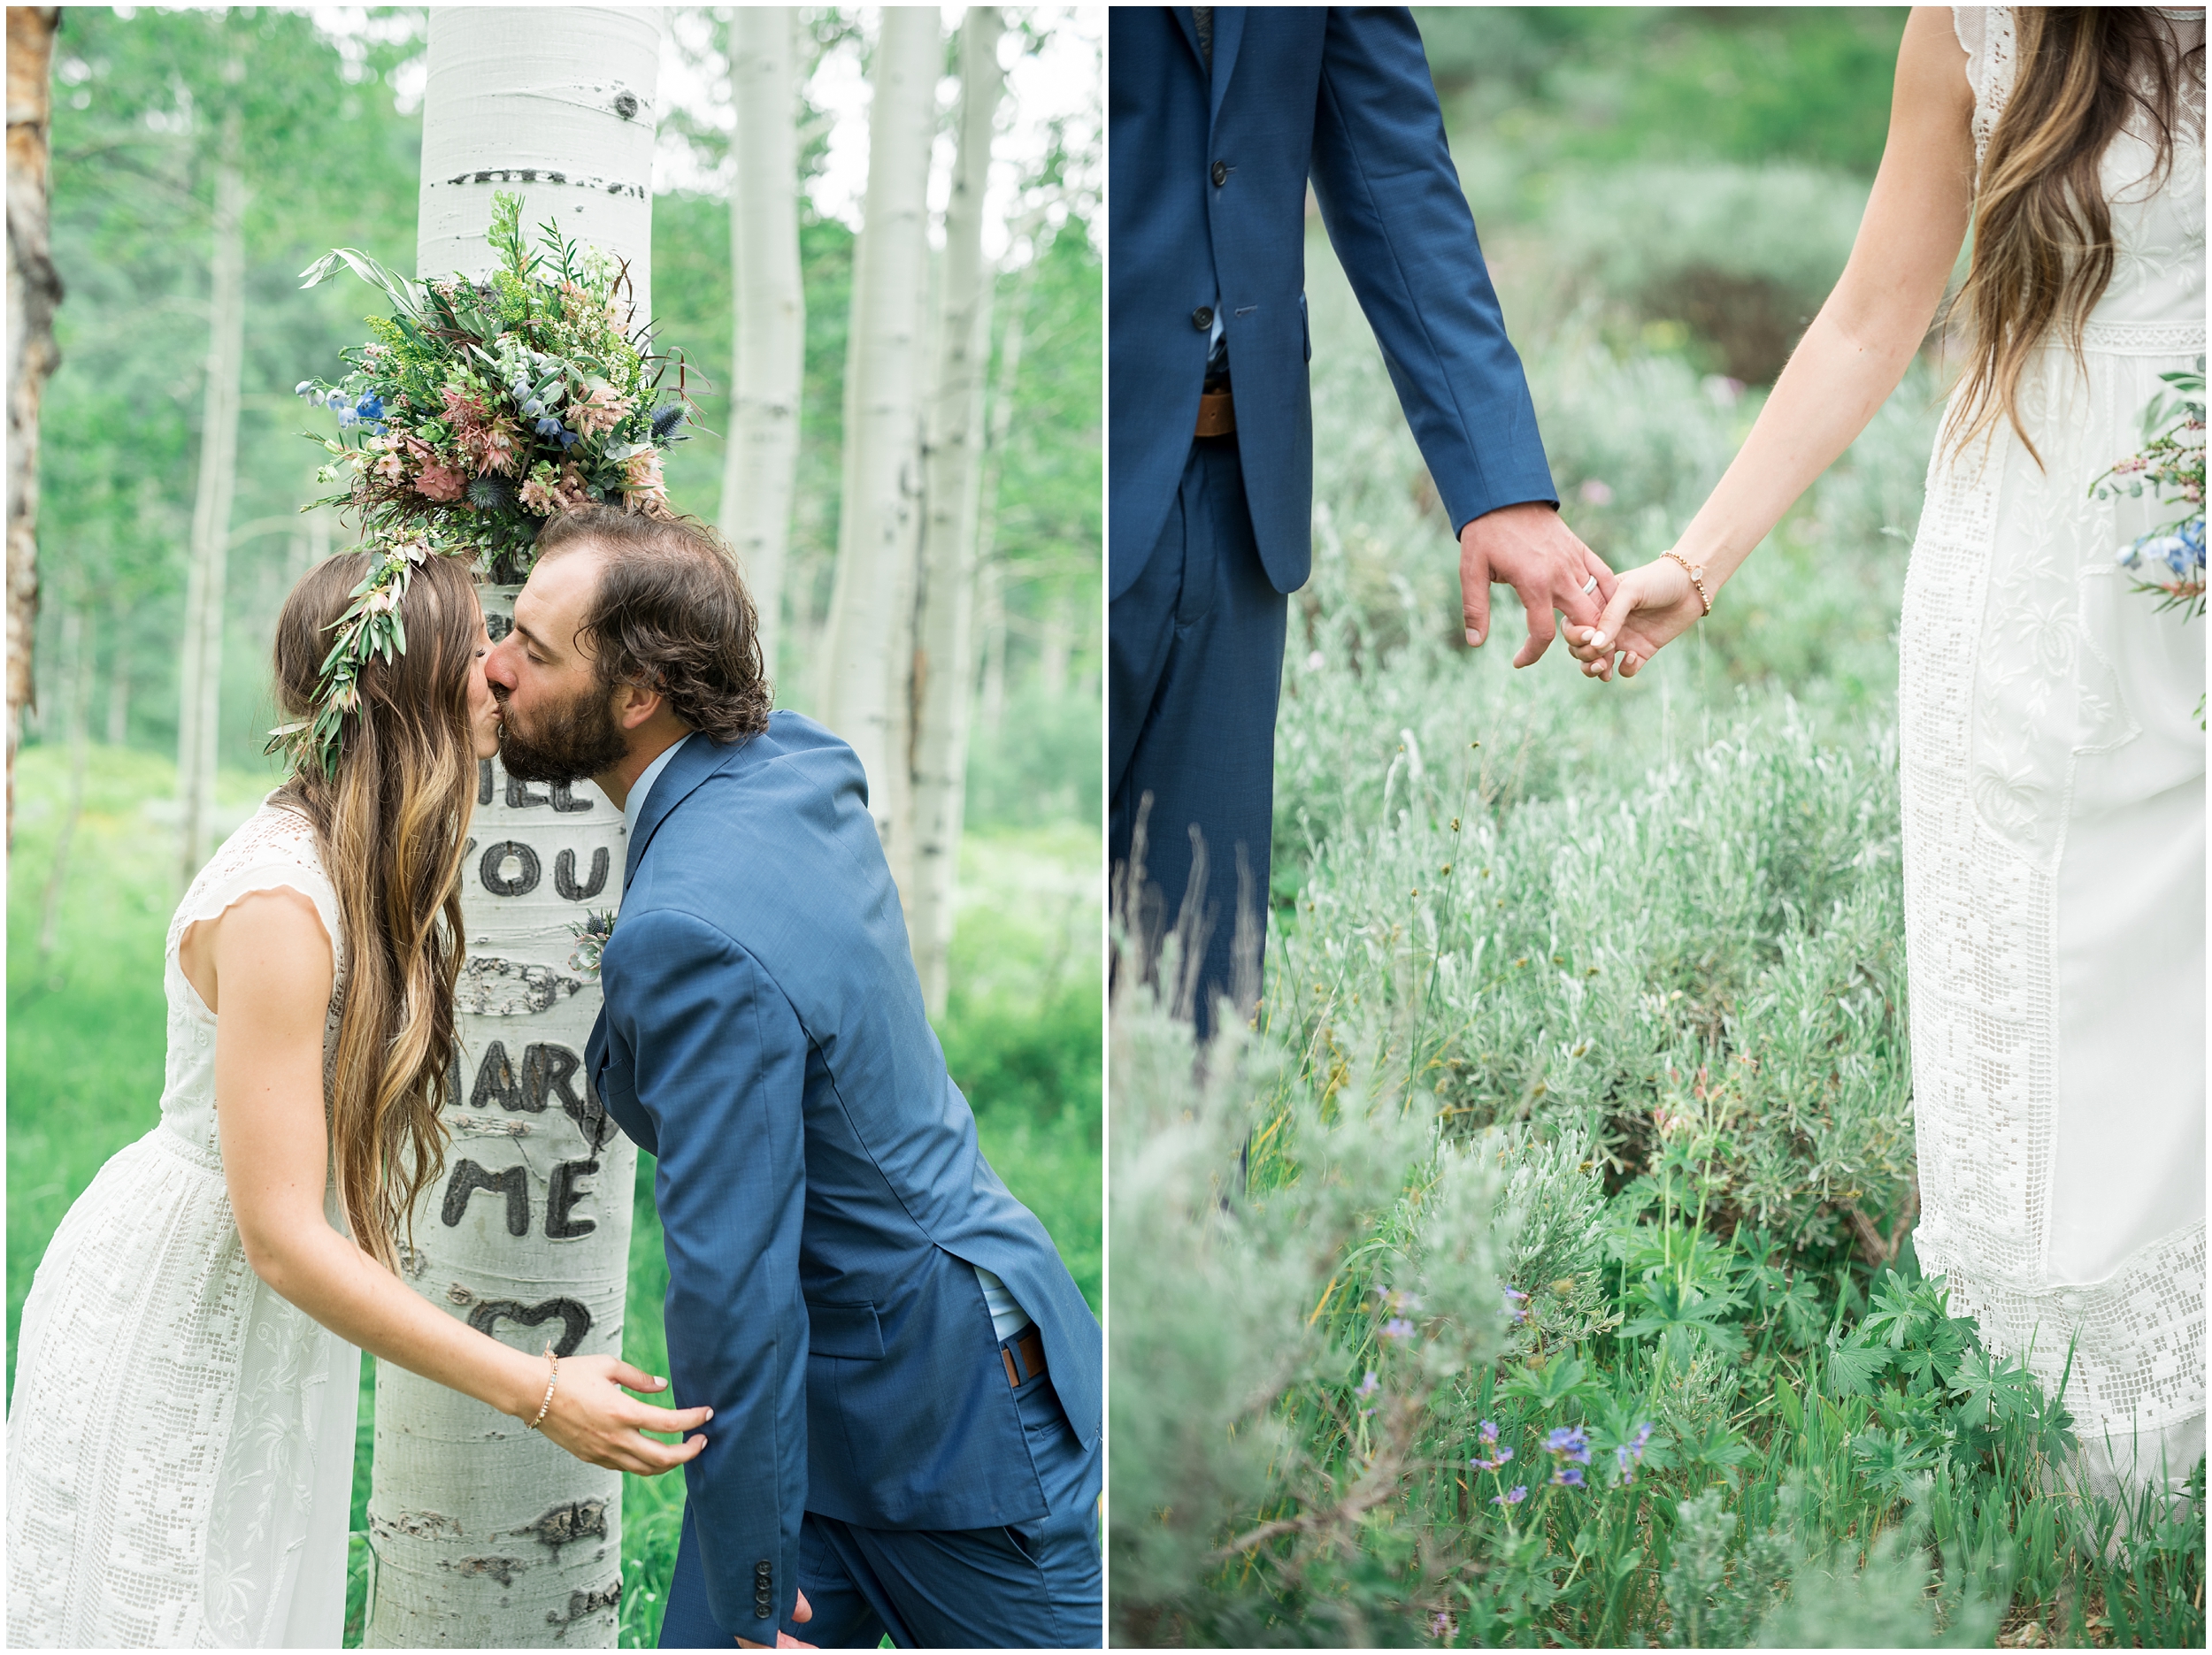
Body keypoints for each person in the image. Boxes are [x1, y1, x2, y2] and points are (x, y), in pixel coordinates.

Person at [1569, 6, 2204, 1505]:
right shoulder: (1983, 22)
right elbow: (1871, 310)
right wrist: (1696, 561)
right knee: (2059, 991)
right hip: (2040, 568)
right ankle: (2081, 1473)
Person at [5, 552, 709, 1649]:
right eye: (479, 645)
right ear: (415, 685)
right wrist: (538, 1388)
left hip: (274, 1320)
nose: (500, 671)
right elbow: (282, 1235)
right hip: (187, 1297)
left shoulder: (368, 856)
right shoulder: (283, 901)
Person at [485, 506, 1103, 1650]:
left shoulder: (690, 933)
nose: (496, 666)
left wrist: (758, 1583)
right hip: (822, 1401)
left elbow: (733, 1282)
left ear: (638, 696)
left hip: (944, 1421)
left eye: (535, 648)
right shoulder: (796, 763)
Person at [1109, 5, 1616, 1037]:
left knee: (1203, 996)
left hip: (1240, 503)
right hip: (1070, 471)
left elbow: (1395, 173)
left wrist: (1499, 483)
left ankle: (1208, 1207)